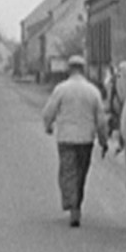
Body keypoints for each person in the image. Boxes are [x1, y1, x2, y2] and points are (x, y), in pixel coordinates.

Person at [42, 55, 109, 227]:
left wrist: (48, 126)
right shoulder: (93, 91)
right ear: (84, 69)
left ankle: (72, 205)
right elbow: (101, 120)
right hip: (86, 139)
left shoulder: (61, 89)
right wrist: (103, 140)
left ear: (69, 69)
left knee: (67, 172)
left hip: (66, 138)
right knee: (81, 174)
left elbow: (48, 111)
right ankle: (76, 205)